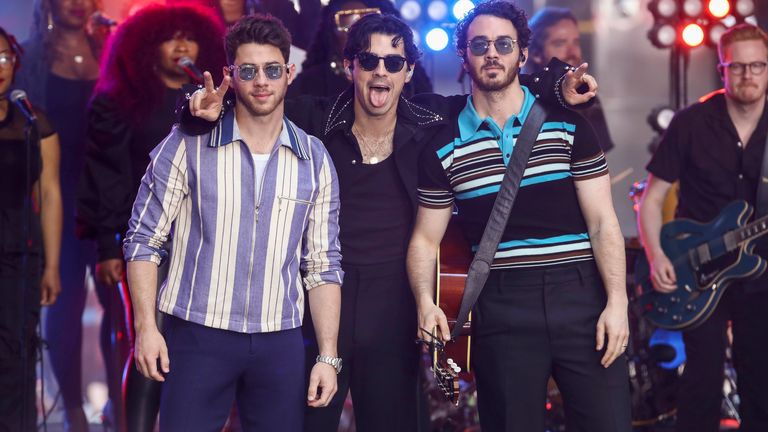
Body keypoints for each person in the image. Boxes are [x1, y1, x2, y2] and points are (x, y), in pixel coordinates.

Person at [184, 8, 599, 429]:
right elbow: (257, 96)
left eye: (394, 62)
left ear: (408, 72)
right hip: (322, 295)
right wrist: (198, 109)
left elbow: (498, 87)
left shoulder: (433, 119)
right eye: (368, 60)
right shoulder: (315, 118)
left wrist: (557, 87)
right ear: (350, 67)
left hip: (394, 302)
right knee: (308, 421)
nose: (381, 71)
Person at [407, 2, 631, 431]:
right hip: (502, 305)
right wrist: (423, 300)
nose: (492, 53)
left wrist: (617, 302)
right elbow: (423, 240)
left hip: (581, 295)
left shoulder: (571, 125)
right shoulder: (442, 145)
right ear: (464, 55)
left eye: (504, 44)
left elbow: (604, 223)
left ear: (523, 54)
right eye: (480, 44)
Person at [124, 14, 342, 432]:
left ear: (289, 74)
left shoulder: (314, 160)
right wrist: (147, 328)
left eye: (272, 70)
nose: (262, 81)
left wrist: (327, 356)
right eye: (249, 70)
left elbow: (323, 264)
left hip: (280, 340)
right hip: (197, 334)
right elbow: (143, 239)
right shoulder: (188, 143)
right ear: (230, 75)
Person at [76, 3, 226, 431]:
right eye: (169, 36)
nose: (181, 45)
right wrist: (109, 245)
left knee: (199, 348)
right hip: (146, 242)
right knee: (149, 341)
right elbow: (106, 176)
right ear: (146, 46)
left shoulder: (212, 101)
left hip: (205, 239)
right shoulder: (120, 102)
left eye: (189, 35)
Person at [638, 23, 768, 432]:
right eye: (739, 67)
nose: (749, 75)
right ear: (722, 68)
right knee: (702, 377)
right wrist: (656, 254)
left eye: (758, 66)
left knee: (761, 375)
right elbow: (651, 199)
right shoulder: (691, 122)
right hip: (697, 269)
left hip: (760, 272)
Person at [13, 1, 118, 429]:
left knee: (122, 308)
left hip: (108, 197)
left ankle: (121, 405)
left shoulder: (110, 47)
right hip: (57, 195)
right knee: (64, 307)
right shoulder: (30, 55)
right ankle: (74, 411)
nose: (77, 3)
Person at [0, 26, 62, 432]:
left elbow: (52, 194)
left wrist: (52, 266)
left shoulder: (30, 121)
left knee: (15, 354)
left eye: (4, 57)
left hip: (17, 252)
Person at [287, 0, 432, 99]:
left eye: (369, 19)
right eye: (347, 22)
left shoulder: (412, 82)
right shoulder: (307, 87)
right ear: (330, 30)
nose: (359, 30)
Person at [526, 6, 615, 153]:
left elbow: (600, 166)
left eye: (576, 42)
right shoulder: (520, 99)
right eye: (560, 43)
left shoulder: (589, 100)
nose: (573, 52)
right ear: (535, 53)